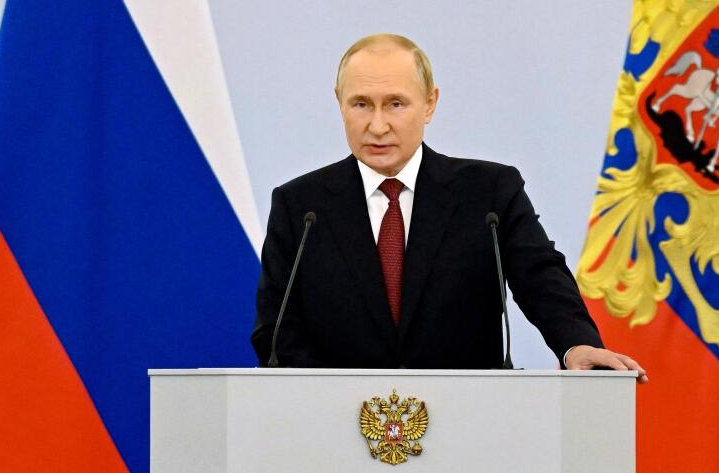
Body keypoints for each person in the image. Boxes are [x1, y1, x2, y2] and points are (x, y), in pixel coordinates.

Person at [251, 33, 647, 378]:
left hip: (467, 428)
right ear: (339, 103)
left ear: (430, 103)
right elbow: (277, 330)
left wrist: (576, 344)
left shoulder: (489, 194)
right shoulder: (301, 208)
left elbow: (541, 277)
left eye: (395, 104)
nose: (377, 125)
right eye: (360, 105)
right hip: (337, 436)